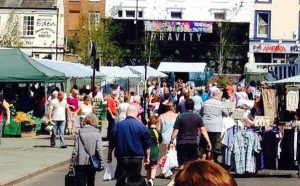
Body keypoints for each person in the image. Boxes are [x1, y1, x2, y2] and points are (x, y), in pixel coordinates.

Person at [107, 105, 150, 182]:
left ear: (126, 113)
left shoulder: (118, 125)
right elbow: (147, 145)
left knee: (121, 180)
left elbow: (112, 143)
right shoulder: (141, 126)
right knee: (135, 180)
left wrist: (109, 155)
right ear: (136, 114)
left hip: (122, 158)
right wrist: (147, 158)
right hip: (137, 158)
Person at [169, 99, 211, 167]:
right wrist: (208, 142)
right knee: (192, 165)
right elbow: (203, 130)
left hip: (182, 143)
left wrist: (171, 141)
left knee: (182, 164)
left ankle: (182, 177)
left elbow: (175, 130)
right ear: (193, 106)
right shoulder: (197, 117)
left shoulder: (180, 116)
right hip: (193, 143)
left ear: (185, 106)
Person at [69, 113, 104, 186]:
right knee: (91, 181)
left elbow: (75, 151)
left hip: (80, 162)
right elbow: (99, 149)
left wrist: (71, 165)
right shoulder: (97, 133)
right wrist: (101, 163)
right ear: (94, 121)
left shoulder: (79, 132)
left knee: (80, 183)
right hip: (92, 162)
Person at [200, 90, 229, 161]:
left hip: (205, 127)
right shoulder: (220, 104)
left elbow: (201, 113)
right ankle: (210, 166)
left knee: (203, 148)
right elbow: (227, 114)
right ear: (218, 95)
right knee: (212, 150)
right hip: (216, 128)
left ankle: (202, 166)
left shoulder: (205, 103)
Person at [146, 115, 162, 186]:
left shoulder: (146, 131)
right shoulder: (157, 131)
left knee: (148, 167)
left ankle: (148, 179)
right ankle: (151, 179)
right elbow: (160, 140)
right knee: (154, 166)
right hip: (155, 149)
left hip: (147, 150)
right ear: (157, 123)